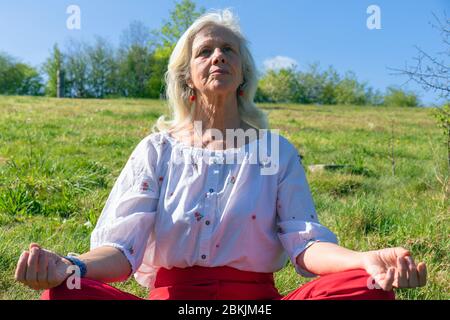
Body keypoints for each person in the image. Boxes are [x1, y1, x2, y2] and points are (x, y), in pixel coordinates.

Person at [15, 9, 426, 300]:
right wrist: (72, 267)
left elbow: (305, 245)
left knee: (362, 287)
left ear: (243, 73)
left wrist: (364, 260)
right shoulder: (157, 150)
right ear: (187, 75)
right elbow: (122, 253)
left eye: (228, 50)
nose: (218, 57)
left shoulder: (272, 151)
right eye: (205, 51)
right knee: (64, 291)